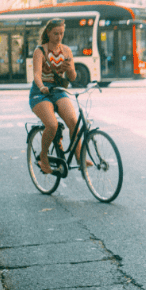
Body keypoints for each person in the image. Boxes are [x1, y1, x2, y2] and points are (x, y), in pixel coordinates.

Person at [29, 18, 87, 175]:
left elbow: (73, 78)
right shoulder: (39, 51)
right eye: (56, 33)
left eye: (62, 33)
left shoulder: (66, 51)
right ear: (48, 33)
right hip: (40, 93)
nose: (59, 37)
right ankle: (43, 156)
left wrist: (69, 69)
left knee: (73, 121)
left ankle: (79, 157)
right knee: (52, 125)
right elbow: (36, 75)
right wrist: (41, 87)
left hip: (58, 90)